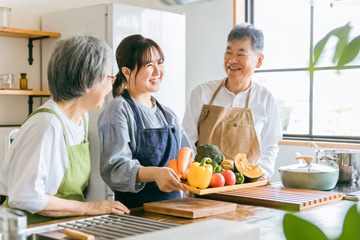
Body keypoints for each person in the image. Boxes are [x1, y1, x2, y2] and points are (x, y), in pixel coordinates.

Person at [0, 35, 129, 225]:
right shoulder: (46, 125)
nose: (112, 85)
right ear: (87, 81)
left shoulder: (81, 119)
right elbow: (25, 196)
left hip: (61, 225)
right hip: (27, 228)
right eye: (110, 77)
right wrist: (88, 208)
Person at [98, 34, 190, 208]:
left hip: (177, 210)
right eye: (149, 65)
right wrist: (155, 174)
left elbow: (186, 156)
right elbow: (115, 169)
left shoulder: (168, 114)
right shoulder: (118, 110)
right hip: (136, 215)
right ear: (126, 71)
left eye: (160, 62)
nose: (158, 71)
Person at [182, 23, 282, 179]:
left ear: (259, 60)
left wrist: (263, 173)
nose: (232, 60)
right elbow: (187, 141)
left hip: (248, 187)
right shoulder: (201, 93)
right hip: (205, 184)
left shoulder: (265, 98)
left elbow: (270, 146)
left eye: (241, 54)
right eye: (228, 52)